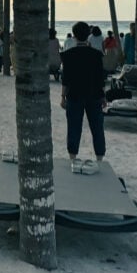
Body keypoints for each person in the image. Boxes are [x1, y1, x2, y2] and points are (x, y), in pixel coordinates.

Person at [60, 21, 106, 165]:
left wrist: (62, 97)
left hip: (74, 94)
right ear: (89, 35)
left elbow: (65, 78)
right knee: (97, 127)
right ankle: (99, 157)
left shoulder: (67, 55)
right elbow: (100, 78)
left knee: (74, 126)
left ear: (74, 36)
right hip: (94, 94)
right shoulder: (97, 55)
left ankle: (73, 157)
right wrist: (103, 95)